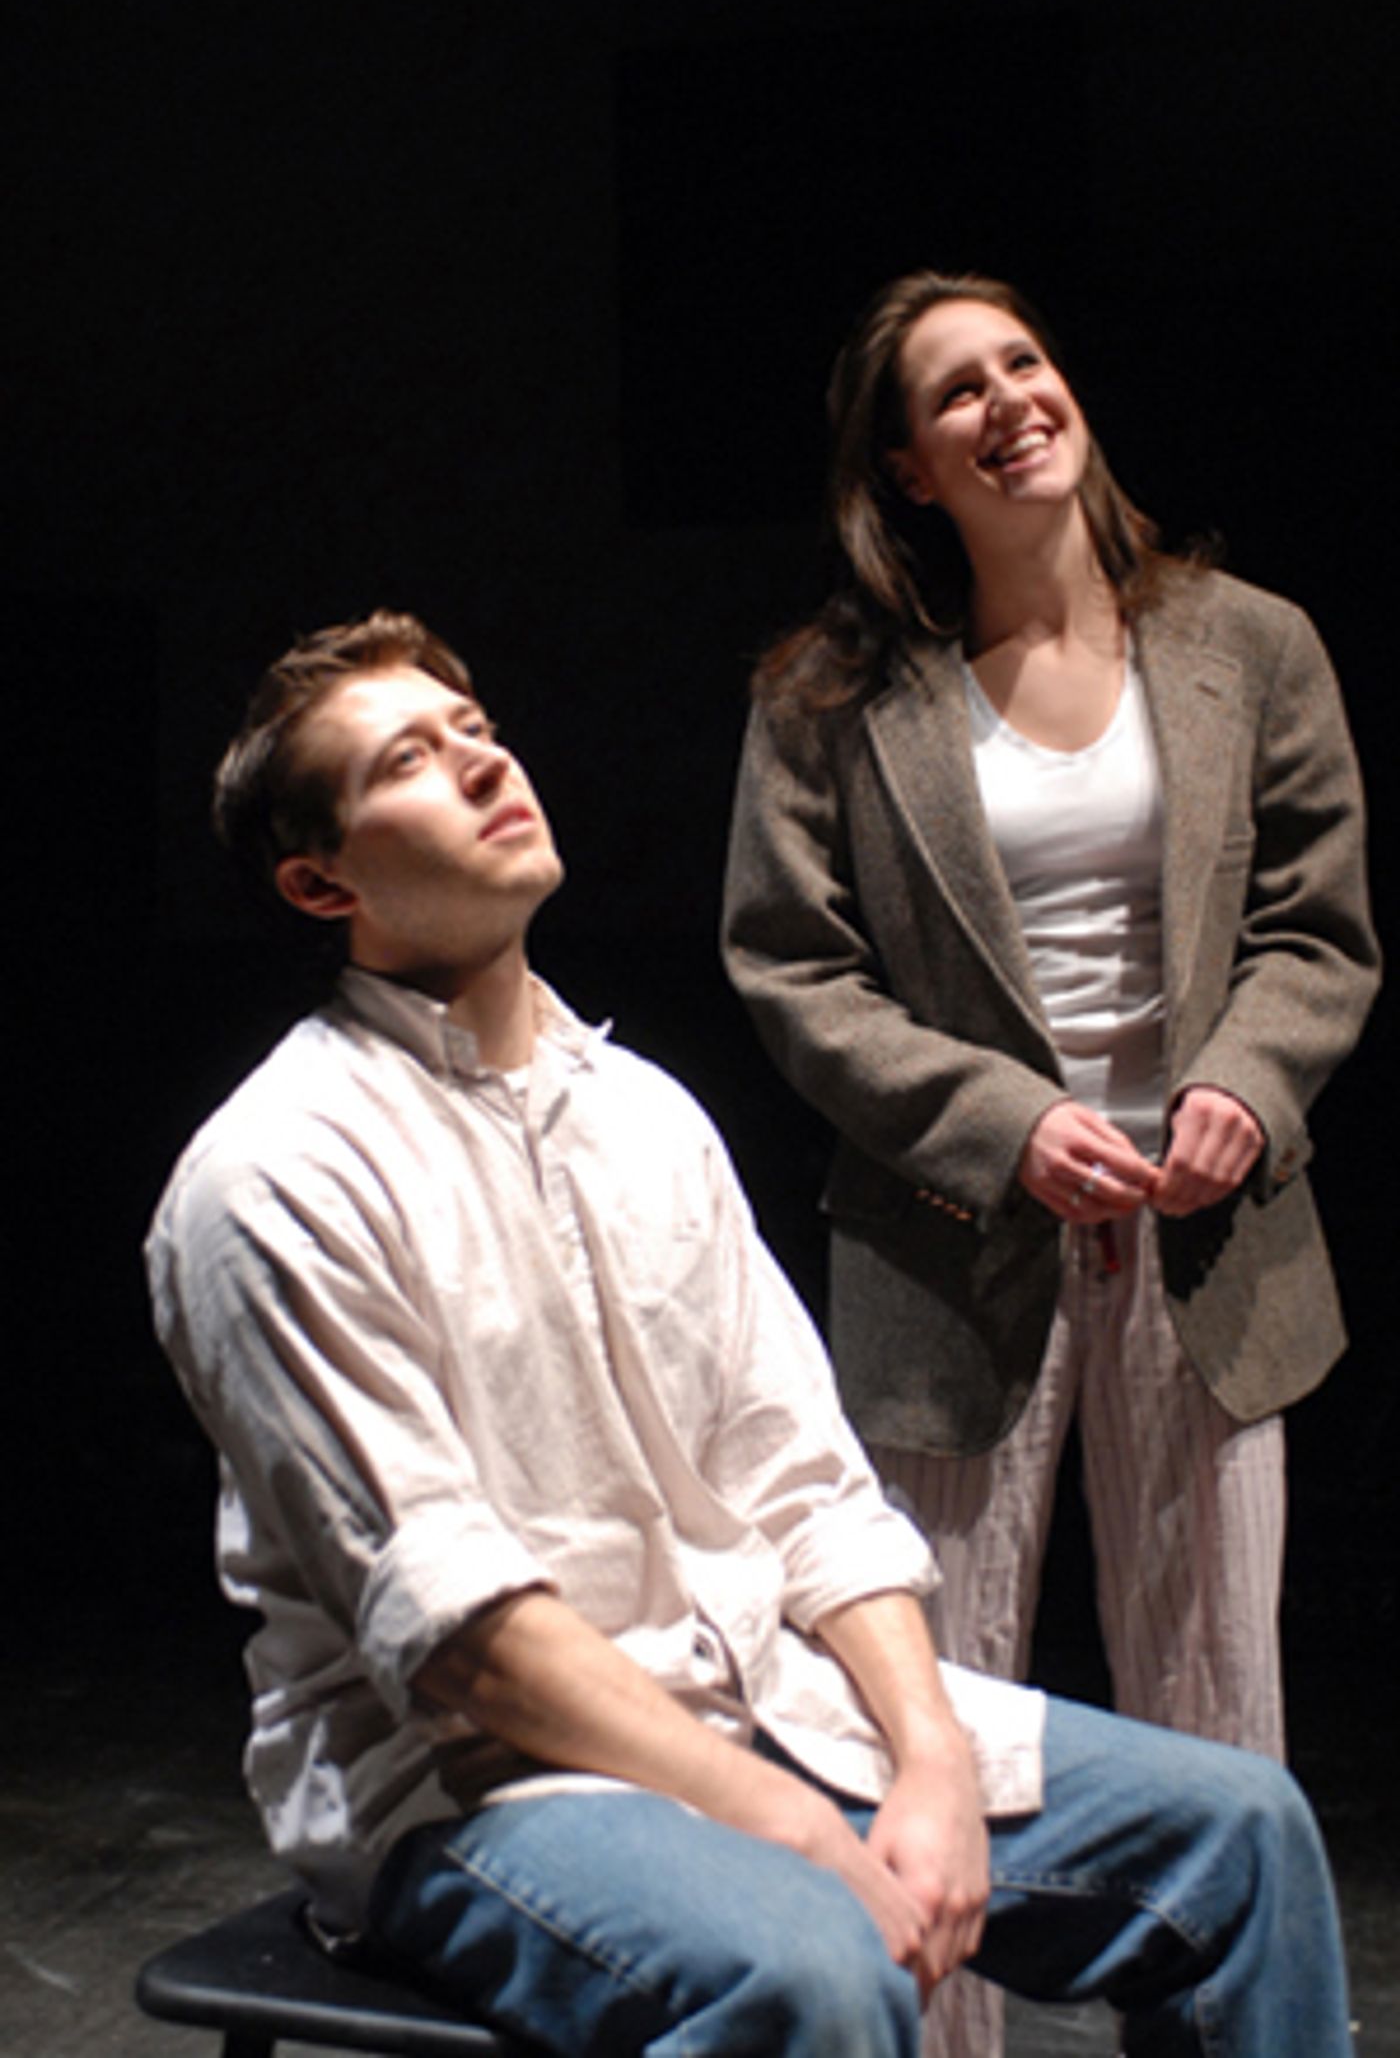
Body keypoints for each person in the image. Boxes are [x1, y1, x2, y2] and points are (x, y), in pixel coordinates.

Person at [147, 608, 1355, 2058]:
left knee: (1242, 1830)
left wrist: (929, 1758)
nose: (480, 763)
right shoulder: (277, 1174)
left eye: (475, 729)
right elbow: (462, 1638)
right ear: (319, 878)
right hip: (485, 1788)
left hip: (764, 1701)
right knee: (816, 1969)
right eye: (407, 759)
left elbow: (809, 1489)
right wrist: (786, 1821)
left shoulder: (646, 1116)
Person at [721, 268, 1378, 2051]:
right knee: (937, 1727)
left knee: (1218, 1711)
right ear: (907, 468)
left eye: (1023, 361)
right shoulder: (834, 694)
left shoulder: (1251, 643)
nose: (1009, 398)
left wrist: (1246, 1081)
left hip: (1206, 1236)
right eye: (957, 390)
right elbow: (790, 967)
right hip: (953, 1246)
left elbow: (1317, 929)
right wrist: (1007, 1124)